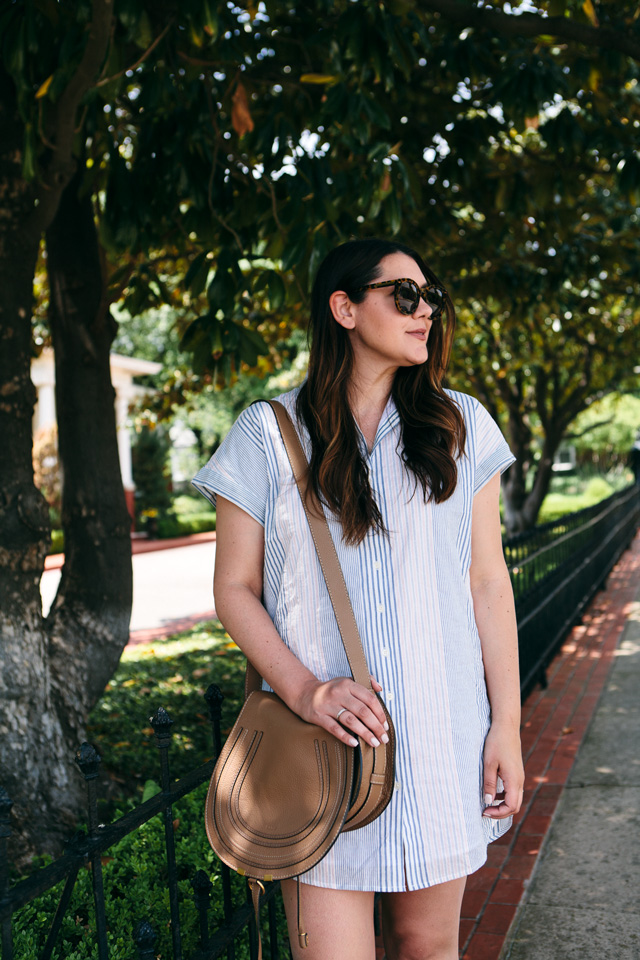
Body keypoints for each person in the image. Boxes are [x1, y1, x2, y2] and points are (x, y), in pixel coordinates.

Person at [193, 238, 524, 960]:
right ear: (344, 308)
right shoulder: (268, 433)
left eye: (430, 295)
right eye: (403, 295)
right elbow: (233, 589)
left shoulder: (460, 426)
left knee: (428, 949)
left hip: (442, 739)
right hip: (323, 754)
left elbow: (487, 582)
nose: (425, 310)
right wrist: (307, 690)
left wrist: (508, 727)